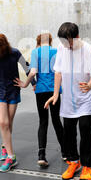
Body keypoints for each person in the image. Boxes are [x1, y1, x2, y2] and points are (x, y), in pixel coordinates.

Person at [44, 22, 91, 180]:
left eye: (68, 41)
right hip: (68, 99)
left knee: (85, 129)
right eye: (62, 42)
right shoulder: (62, 48)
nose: (66, 45)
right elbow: (58, 72)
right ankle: (74, 162)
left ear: (76, 37)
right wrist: (55, 94)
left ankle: (87, 166)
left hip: (85, 98)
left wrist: (89, 84)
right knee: (68, 132)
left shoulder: (88, 49)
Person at [14, 33, 66, 167]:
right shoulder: (56, 51)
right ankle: (65, 152)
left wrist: (25, 84)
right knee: (56, 121)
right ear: (50, 41)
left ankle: (41, 155)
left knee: (43, 121)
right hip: (54, 91)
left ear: (38, 42)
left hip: (41, 91)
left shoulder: (36, 52)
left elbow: (32, 72)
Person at [0, 34, 33, 172]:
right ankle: (11, 157)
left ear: (5, 47)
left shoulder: (14, 53)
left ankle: (4, 147)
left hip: (13, 91)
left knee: (9, 122)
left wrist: (30, 83)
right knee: (3, 123)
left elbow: (27, 67)